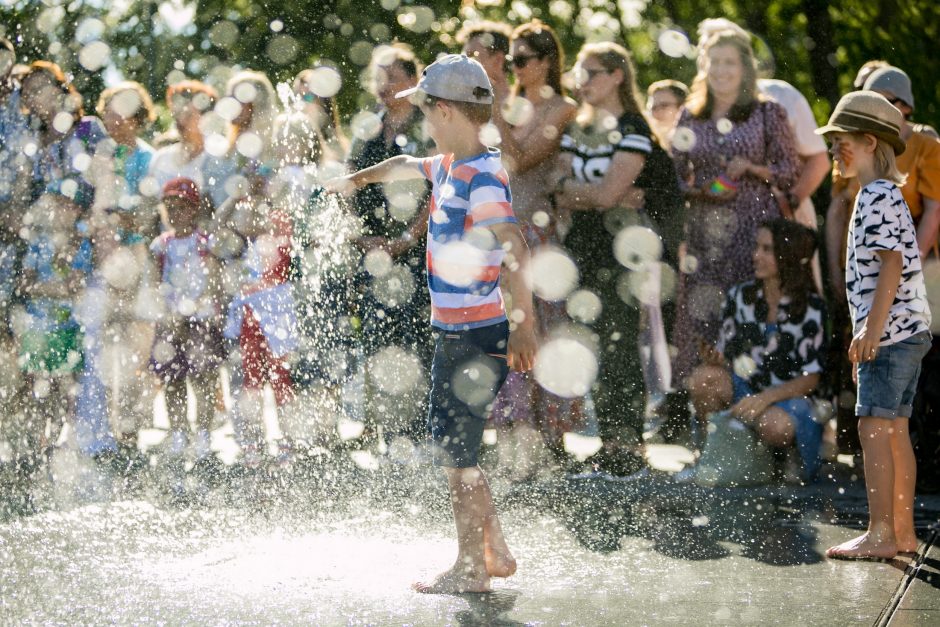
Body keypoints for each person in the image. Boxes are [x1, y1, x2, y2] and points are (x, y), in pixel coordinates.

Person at [327, 54, 536, 594]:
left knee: (456, 452)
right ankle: (495, 552)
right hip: (457, 331)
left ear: (444, 111)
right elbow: (404, 167)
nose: (423, 123)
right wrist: (356, 179)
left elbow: (513, 246)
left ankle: (470, 569)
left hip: (476, 333)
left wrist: (524, 324)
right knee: (458, 445)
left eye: (426, 112)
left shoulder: (483, 175)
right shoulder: (447, 165)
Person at [554, 41, 683, 476]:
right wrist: (590, 197)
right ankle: (608, 439)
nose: (582, 81)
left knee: (620, 343)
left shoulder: (632, 126)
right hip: (585, 247)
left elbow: (606, 193)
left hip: (623, 250)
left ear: (616, 77)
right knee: (595, 341)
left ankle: (628, 443)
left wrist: (582, 196)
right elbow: (565, 190)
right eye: (579, 73)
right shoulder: (579, 126)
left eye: (591, 73)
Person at [818, 92, 932, 559]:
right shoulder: (881, 194)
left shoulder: (877, 194)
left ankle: (881, 533)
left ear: (868, 142)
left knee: (872, 429)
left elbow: (890, 264)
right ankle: (902, 532)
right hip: (907, 331)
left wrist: (871, 330)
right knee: (895, 429)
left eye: (841, 142)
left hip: (890, 332)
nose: (834, 152)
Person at [670, 30, 800, 382]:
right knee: (700, 315)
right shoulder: (690, 116)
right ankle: (695, 400)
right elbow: (673, 177)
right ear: (703, 66)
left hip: (753, 231)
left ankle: (748, 397)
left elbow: (790, 172)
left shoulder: (766, 112)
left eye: (730, 62)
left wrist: (753, 169)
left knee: (747, 311)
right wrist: (701, 192)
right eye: (714, 61)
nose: (721, 70)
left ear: (745, 68)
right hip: (704, 235)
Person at [481, 19, 579, 475]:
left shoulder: (561, 109)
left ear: (545, 62)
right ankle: (513, 434)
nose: (514, 69)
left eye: (521, 61)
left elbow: (516, 160)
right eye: (509, 62)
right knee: (504, 334)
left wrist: (499, 97)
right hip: (501, 233)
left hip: (537, 237)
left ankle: (551, 438)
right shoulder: (510, 105)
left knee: (542, 333)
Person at [686, 219, 826, 480]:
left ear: (788, 256)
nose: (755, 256)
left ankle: (778, 461)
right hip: (746, 388)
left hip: (787, 398)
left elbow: (811, 378)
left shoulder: (811, 307)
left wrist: (766, 398)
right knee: (704, 379)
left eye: (766, 249)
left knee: (776, 426)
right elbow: (728, 358)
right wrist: (715, 359)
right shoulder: (740, 296)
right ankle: (711, 457)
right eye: (757, 247)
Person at [347, 44, 435, 448]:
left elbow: (437, 187)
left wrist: (406, 238)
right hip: (372, 252)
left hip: (418, 251)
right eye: (379, 78)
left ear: (414, 80)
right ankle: (384, 431)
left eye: (393, 77)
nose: (384, 86)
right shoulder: (369, 126)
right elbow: (351, 183)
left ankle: (414, 433)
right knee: (378, 339)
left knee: (413, 337)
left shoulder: (427, 124)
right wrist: (358, 236)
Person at [149, 178, 226, 487]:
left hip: (200, 319)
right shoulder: (161, 245)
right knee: (173, 381)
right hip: (170, 320)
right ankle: (179, 432)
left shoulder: (204, 243)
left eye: (182, 207)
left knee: (204, 380)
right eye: (170, 207)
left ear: (194, 209)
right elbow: (155, 283)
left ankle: (204, 433)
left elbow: (214, 282)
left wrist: (196, 310)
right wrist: (167, 314)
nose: (175, 213)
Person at [292, 66, 349, 163]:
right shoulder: (290, 143)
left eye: (308, 97)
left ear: (324, 102)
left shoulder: (340, 148)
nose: (302, 104)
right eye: (298, 97)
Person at [645, 79, 688, 149]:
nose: (658, 112)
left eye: (664, 105)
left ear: (682, 107)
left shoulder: (695, 147)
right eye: (653, 108)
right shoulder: (645, 146)